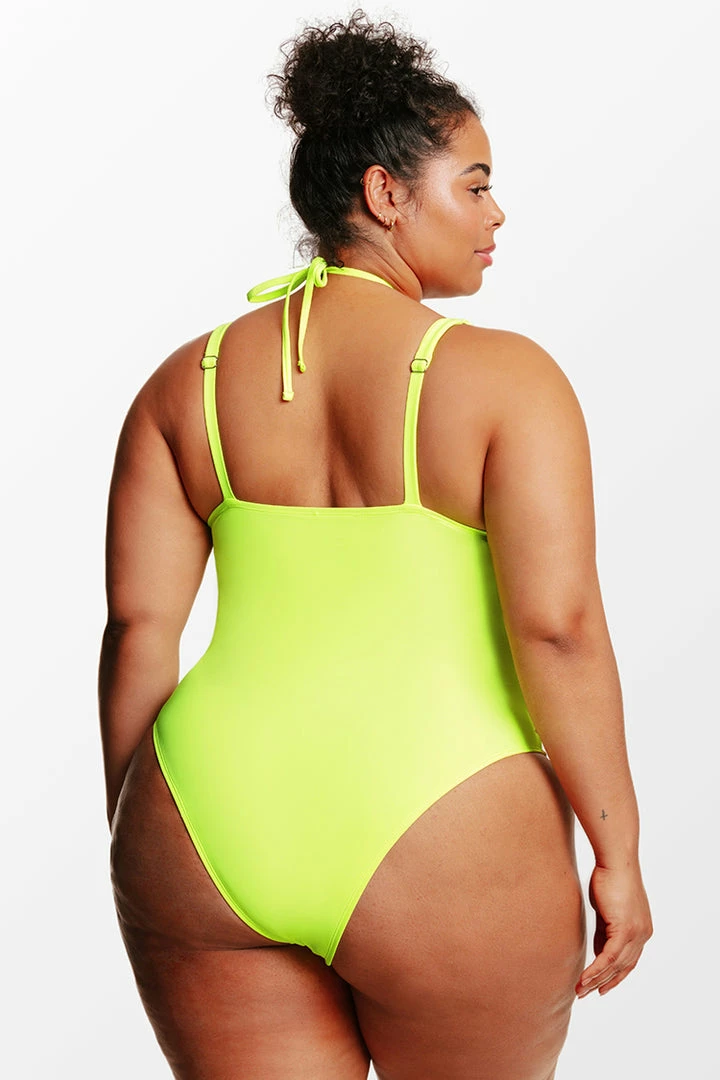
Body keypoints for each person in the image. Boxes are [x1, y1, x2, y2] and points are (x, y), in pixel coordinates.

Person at [99, 12, 652, 1080]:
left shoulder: (185, 386)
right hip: (449, 823)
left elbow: (137, 630)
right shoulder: (506, 380)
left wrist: (143, 828)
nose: (497, 213)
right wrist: (617, 850)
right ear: (385, 194)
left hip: (206, 817)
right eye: (475, 185)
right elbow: (558, 629)